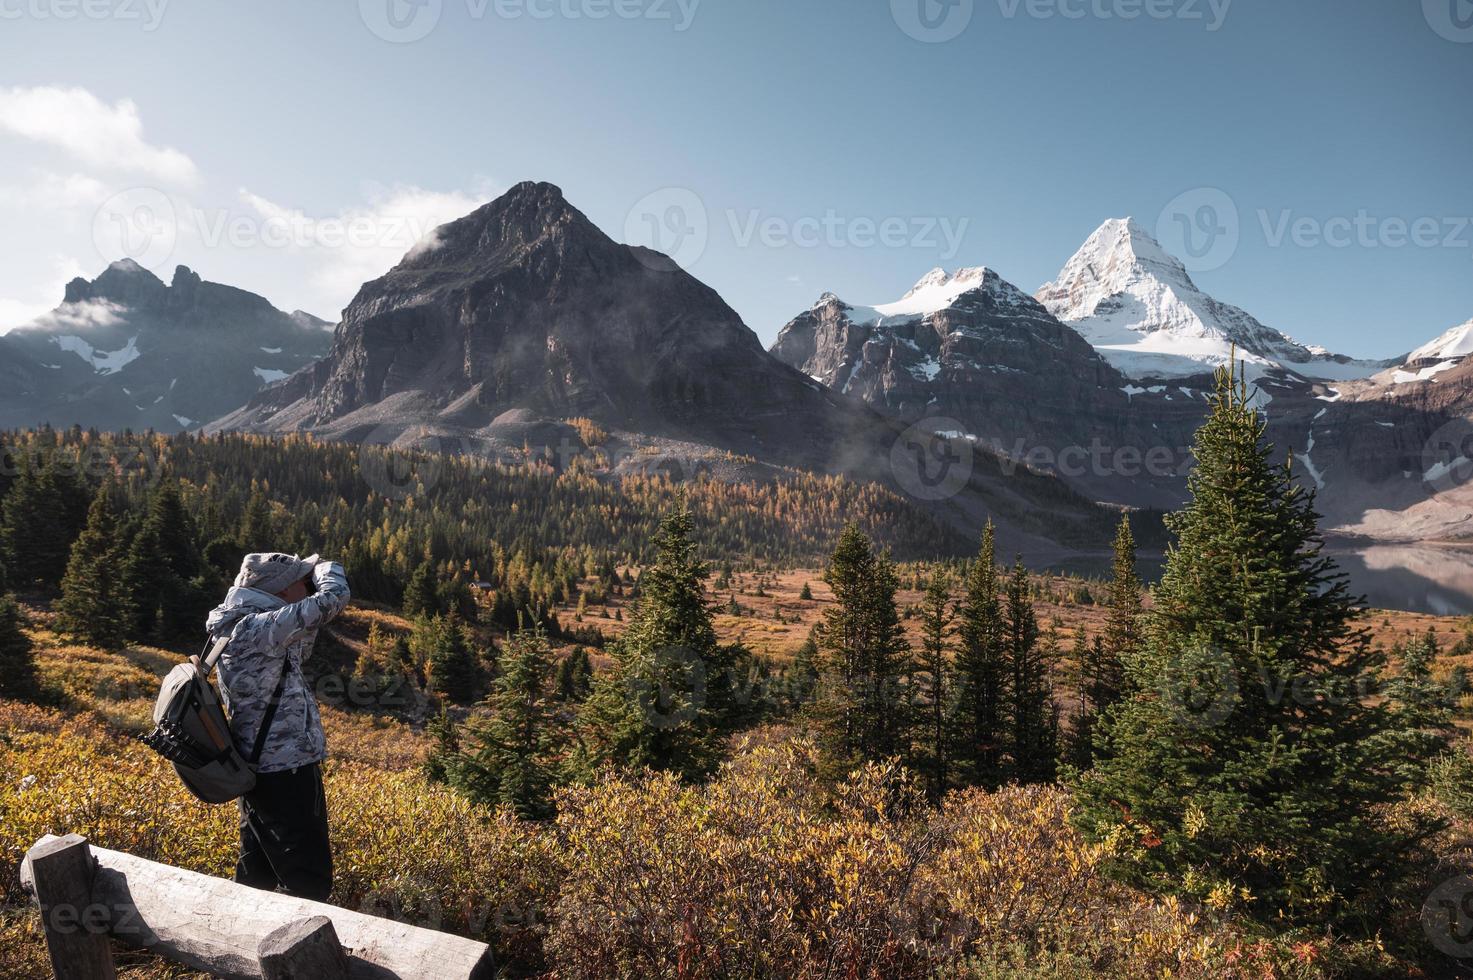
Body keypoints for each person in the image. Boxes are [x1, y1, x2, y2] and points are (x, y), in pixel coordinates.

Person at [205, 552, 350, 901]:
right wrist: (327, 570)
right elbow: (334, 598)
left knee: (257, 874)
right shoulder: (257, 627)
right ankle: (300, 952)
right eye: (302, 579)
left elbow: (297, 655)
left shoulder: (242, 624)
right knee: (309, 881)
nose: (308, 584)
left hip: (260, 766)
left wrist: (304, 595)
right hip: (285, 768)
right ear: (282, 591)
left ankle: (234, 942)